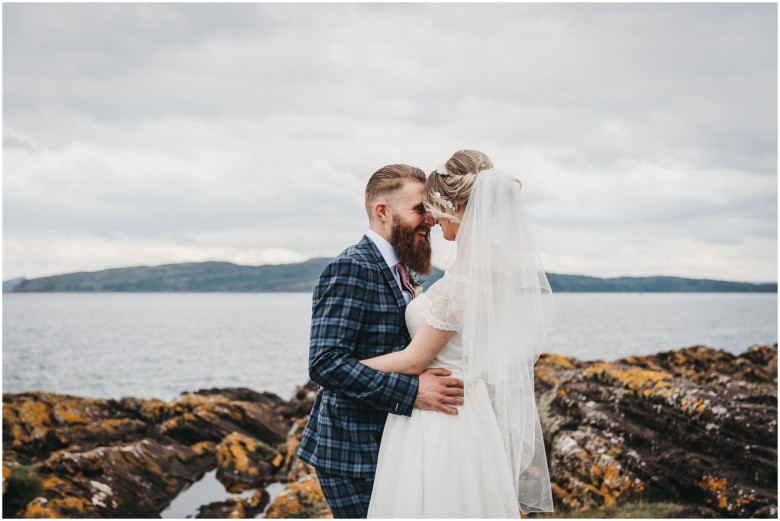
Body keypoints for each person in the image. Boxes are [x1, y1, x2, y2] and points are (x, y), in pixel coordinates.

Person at [363, 150, 556, 517]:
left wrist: (344, 368)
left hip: (442, 417)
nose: (433, 220)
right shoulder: (494, 266)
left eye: (434, 208)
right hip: (471, 409)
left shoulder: (467, 279)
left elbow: (416, 358)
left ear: (454, 206)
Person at [296, 164, 466, 518]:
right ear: (383, 211)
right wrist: (412, 393)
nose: (431, 220)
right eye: (419, 209)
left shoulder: (402, 269)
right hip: (352, 452)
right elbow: (326, 363)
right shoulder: (353, 267)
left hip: (391, 445)